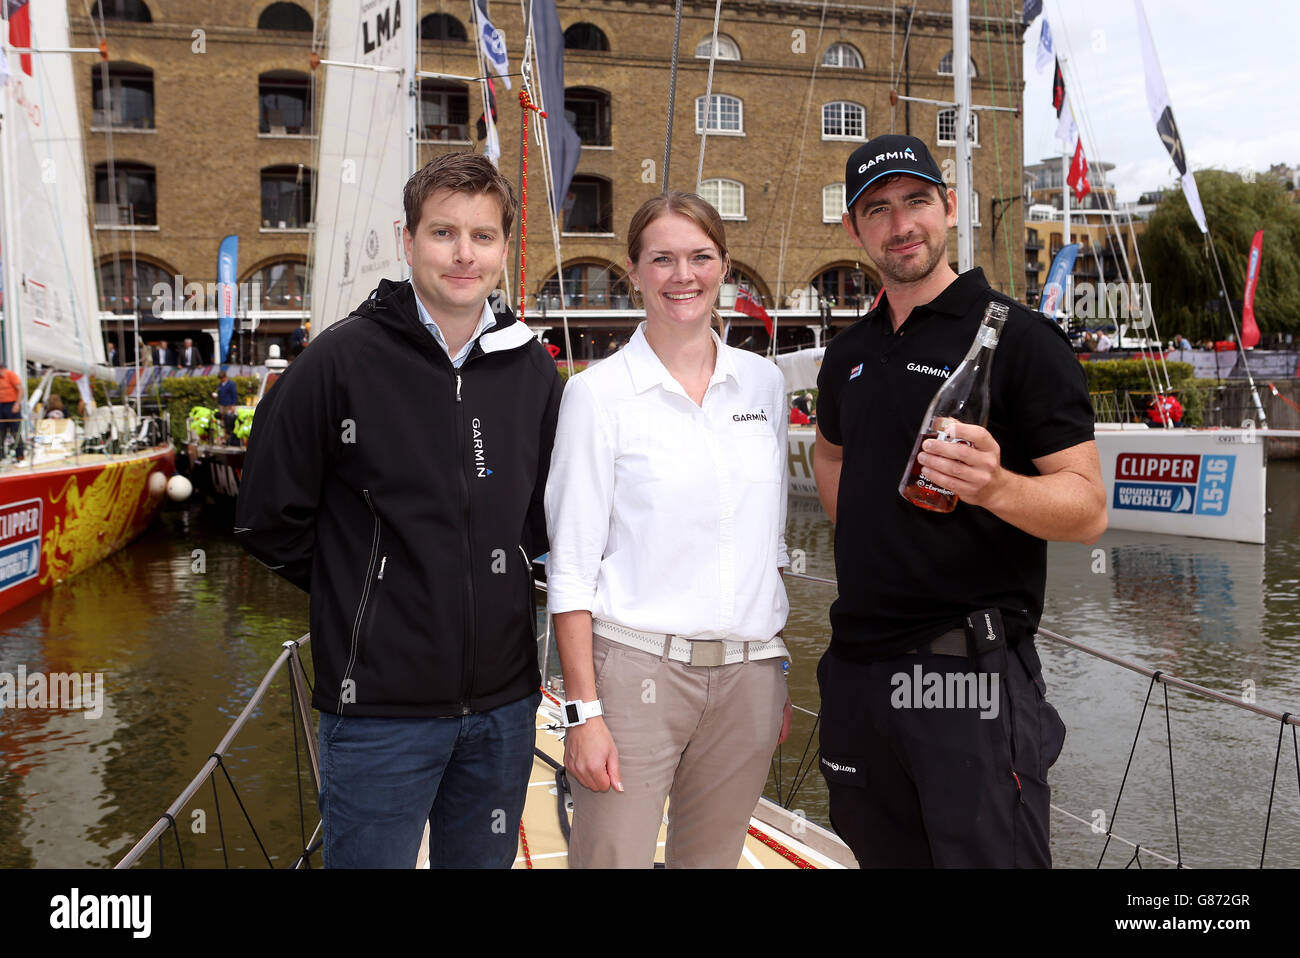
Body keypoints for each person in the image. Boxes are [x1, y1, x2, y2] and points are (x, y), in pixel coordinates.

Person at [236, 152, 562, 868]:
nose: (463, 254)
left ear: (504, 249)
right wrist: (369, 587)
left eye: (482, 236)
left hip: (505, 708)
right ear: (406, 239)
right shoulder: (338, 360)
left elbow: (542, 517)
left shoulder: (529, 365)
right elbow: (266, 516)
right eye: (443, 233)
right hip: (380, 709)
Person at [812, 134, 1107, 868]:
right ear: (854, 229)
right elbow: (830, 451)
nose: (899, 224)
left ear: (948, 207)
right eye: (876, 210)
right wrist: (871, 534)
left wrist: (997, 487)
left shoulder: (1022, 340)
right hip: (855, 671)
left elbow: (1088, 509)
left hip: (964, 678)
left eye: (916, 201)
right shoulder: (848, 353)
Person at [545, 191, 792, 869]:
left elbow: (764, 547)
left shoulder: (763, 385)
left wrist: (777, 670)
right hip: (633, 676)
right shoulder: (596, 396)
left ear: (724, 267)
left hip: (749, 679)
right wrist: (581, 714)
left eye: (699, 257)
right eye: (662, 259)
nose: (682, 275)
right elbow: (570, 569)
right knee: (611, 860)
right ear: (634, 271)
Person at [0, 360, 24, 462]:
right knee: (1, 432)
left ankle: (20, 454)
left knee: (15, 430)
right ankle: (1, 456)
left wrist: (17, 404)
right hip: (1, 406)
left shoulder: (10, 375)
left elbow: (21, 389)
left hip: (12, 405)